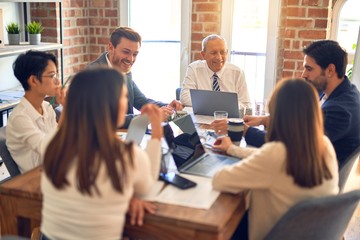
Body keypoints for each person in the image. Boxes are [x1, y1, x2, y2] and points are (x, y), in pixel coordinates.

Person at [41, 67, 163, 239]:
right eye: (123, 96)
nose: (126, 100)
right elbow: (147, 189)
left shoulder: (51, 143)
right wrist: (157, 132)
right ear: (112, 104)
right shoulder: (129, 156)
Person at [212, 78, 339, 240]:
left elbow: (219, 180)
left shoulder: (276, 154)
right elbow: (268, 159)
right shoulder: (324, 145)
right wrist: (232, 149)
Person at [213, 40, 360, 166]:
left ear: (330, 70)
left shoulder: (340, 110)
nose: (303, 74)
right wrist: (264, 120)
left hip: (311, 180)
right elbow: (300, 124)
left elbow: (289, 147)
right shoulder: (335, 92)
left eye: (309, 69)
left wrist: (244, 130)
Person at [89, 26, 183, 128]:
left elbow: (142, 101)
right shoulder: (92, 76)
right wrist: (150, 117)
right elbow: (106, 119)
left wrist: (168, 107)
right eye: (126, 52)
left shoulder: (123, 69)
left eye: (135, 54)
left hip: (128, 135)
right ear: (111, 47)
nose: (131, 59)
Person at [6, 50, 65, 173]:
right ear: (33, 81)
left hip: (56, 172)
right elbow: (50, 149)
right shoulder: (19, 118)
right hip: (37, 183)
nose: (58, 81)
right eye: (51, 75)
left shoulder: (47, 108)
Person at [180, 34, 251, 108]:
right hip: (201, 118)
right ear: (203, 55)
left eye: (222, 52)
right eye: (213, 53)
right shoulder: (194, 69)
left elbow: (246, 105)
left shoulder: (238, 73)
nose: (219, 57)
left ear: (227, 53)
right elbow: (185, 97)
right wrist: (219, 104)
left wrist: (213, 104)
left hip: (228, 118)